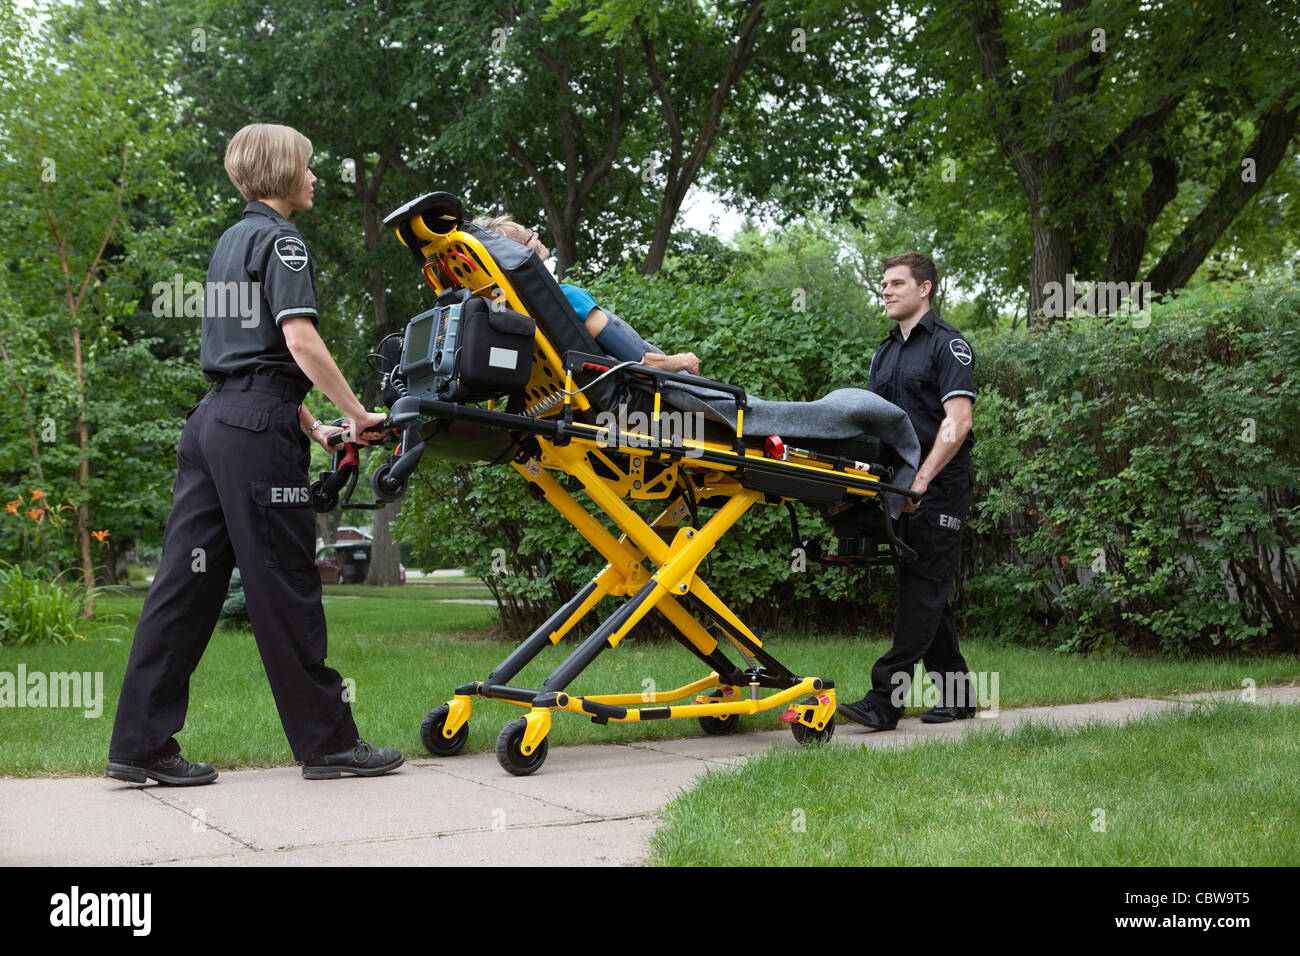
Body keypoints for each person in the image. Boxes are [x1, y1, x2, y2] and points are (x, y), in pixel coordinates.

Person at [107, 124, 402, 785]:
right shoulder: (282, 241)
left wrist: (316, 429)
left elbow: (251, 359)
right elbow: (298, 342)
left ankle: (139, 744)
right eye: (309, 166)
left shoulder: (229, 243)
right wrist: (356, 414)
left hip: (215, 423)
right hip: (253, 431)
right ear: (281, 172)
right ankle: (328, 743)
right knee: (287, 584)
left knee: (180, 588)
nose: (316, 177)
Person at [837, 252, 978, 731]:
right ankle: (958, 696)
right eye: (884, 284)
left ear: (926, 289)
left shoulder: (948, 346)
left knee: (921, 588)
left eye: (897, 283)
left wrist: (922, 479)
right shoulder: (885, 352)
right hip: (897, 485)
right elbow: (879, 426)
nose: (887, 291)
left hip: (939, 484)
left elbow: (956, 424)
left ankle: (884, 700)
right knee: (926, 586)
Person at [471, 215, 700, 375]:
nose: (537, 233)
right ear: (523, 251)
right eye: (529, 233)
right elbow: (640, 362)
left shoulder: (519, 315)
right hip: (664, 390)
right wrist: (682, 360)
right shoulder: (567, 298)